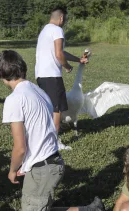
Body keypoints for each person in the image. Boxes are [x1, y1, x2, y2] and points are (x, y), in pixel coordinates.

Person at [0, 50, 110, 211]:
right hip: (53, 160)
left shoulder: (14, 100)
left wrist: (12, 170)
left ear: (1, 75)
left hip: (42, 169)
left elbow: (20, 147)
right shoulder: (39, 91)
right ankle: (87, 209)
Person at [35, 6, 88, 149]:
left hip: (41, 76)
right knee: (56, 110)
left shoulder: (44, 31)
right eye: (65, 20)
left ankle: (45, 138)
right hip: (52, 76)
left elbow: (61, 52)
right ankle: (55, 142)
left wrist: (78, 60)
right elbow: (59, 55)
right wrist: (67, 67)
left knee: (49, 108)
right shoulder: (57, 30)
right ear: (61, 18)